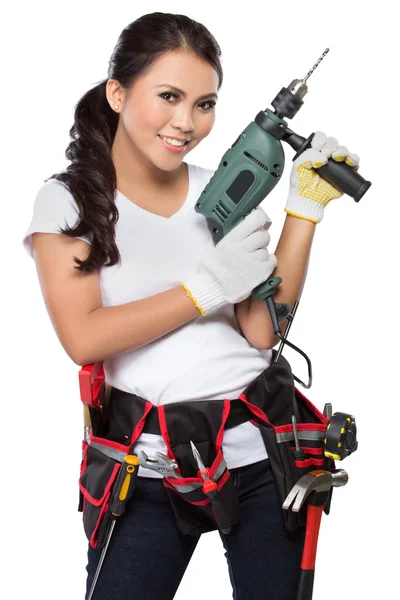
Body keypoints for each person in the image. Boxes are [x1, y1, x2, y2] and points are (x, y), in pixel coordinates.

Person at [21, 11, 360, 600]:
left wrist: (303, 211)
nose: (187, 123)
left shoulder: (225, 187)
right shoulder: (70, 202)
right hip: (147, 468)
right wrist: (202, 291)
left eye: (205, 103)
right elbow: (83, 338)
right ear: (118, 92)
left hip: (261, 456)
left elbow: (261, 331)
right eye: (169, 96)